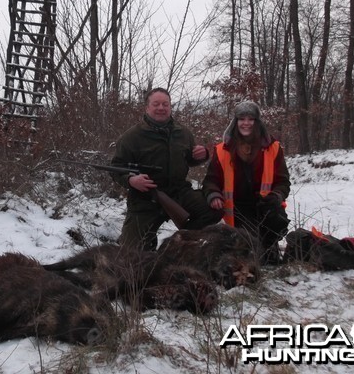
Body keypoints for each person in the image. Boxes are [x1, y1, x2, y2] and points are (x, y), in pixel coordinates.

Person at [110, 88, 216, 250]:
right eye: (156, 104)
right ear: (147, 107)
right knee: (131, 254)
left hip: (179, 193)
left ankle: (181, 244)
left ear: (170, 107)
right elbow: (116, 168)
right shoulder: (131, 137)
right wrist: (131, 180)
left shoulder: (183, 133)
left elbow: (189, 160)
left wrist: (202, 155)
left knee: (213, 209)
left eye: (165, 104)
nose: (161, 108)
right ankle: (148, 242)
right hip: (145, 199)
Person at [201, 101, 290, 263]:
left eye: (251, 119)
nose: (246, 123)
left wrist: (277, 196)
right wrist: (213, 195)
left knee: (277, 222)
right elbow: (210, 180)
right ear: (235, 122)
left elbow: (283, 181)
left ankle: (270, 245)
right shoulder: (222, 149)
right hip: (237, 209)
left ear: (257, 122)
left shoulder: (273, 148)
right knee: (249, 248)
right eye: (242, 119)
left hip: (264, 206)